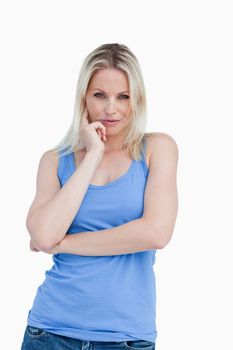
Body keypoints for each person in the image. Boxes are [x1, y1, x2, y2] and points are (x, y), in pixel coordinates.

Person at [20, 43, 179, 350]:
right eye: (99, 95)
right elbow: (42, 234)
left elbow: (156, 232)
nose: (111, 109)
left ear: (138, 99)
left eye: (123, 97)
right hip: (50, 332)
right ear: (84, 98)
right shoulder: (55, 161)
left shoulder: (157, 149)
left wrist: (62, 244)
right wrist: (93, 154)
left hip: (126, 338)